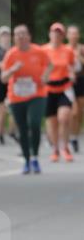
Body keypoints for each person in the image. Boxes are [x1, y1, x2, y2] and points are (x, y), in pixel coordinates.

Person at [1, 24, 50, 174]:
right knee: (22, 128)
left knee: (34, 123)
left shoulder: (39, 51)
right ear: (14, 38)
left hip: (37, 94)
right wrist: (12, 69)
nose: (21, 37)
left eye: (23, 34)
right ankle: (27, 160)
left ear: (29, 36)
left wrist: (45, 77)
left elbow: (50, 65)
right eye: (17, 35)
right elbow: (3, 78)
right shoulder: (11, 54)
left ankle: (35, 156)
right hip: (17, 95)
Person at [42, 22, 76, 163]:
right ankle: (55, 149)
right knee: (52, 121)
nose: (56, 35)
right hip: (48, 88)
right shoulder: (43, 50)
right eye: (54, 32)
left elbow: (72, 67)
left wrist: (72, 74)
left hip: (64, 87)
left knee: (65, 117)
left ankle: (65, 147)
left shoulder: (68, 51)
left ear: (63, 36)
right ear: (50, 34)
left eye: (59, 33)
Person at [66, 24, 84, 152]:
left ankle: (75, 137)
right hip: (67, 81)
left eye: (75, 33)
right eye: (71, 33)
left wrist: (79, 57)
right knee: (73, 111)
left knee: (80, 112)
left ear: (78, 35)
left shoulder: (82, 49)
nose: (73, 36)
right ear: (67, 35)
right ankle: (68, 136)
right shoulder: (64, 49)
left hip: (81, 80)